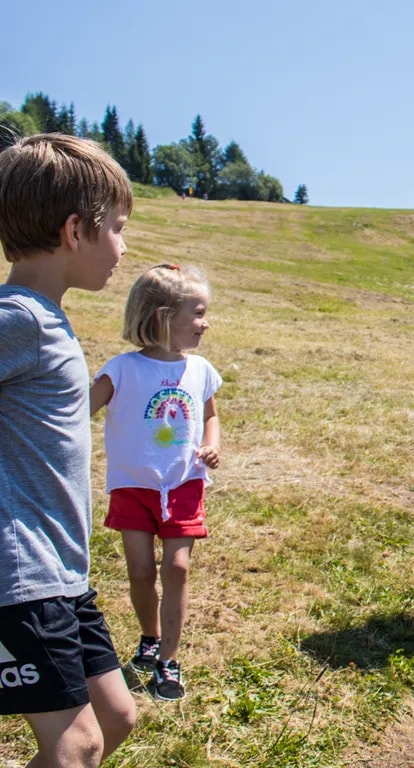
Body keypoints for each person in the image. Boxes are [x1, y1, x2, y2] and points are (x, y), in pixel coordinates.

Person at [0, 133, 136, 766]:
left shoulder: (45, 316)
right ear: (75, 230)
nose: (123, 246)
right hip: (20, 574)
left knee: (115, 717)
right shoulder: (20, 316)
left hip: (62, 571)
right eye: (117, 228)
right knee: (76, 744)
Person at [90, 264, 222, 702]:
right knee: (141, 570)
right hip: (133, 486)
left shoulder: (200, 369)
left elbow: (209, 415)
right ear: (164, 316)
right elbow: (77, 411)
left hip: (183, 484)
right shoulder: (122, 369)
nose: (205, 322)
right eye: (197, 313)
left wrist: (211, 445)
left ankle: (169, 658)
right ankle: (149, 636)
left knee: (177, 568)